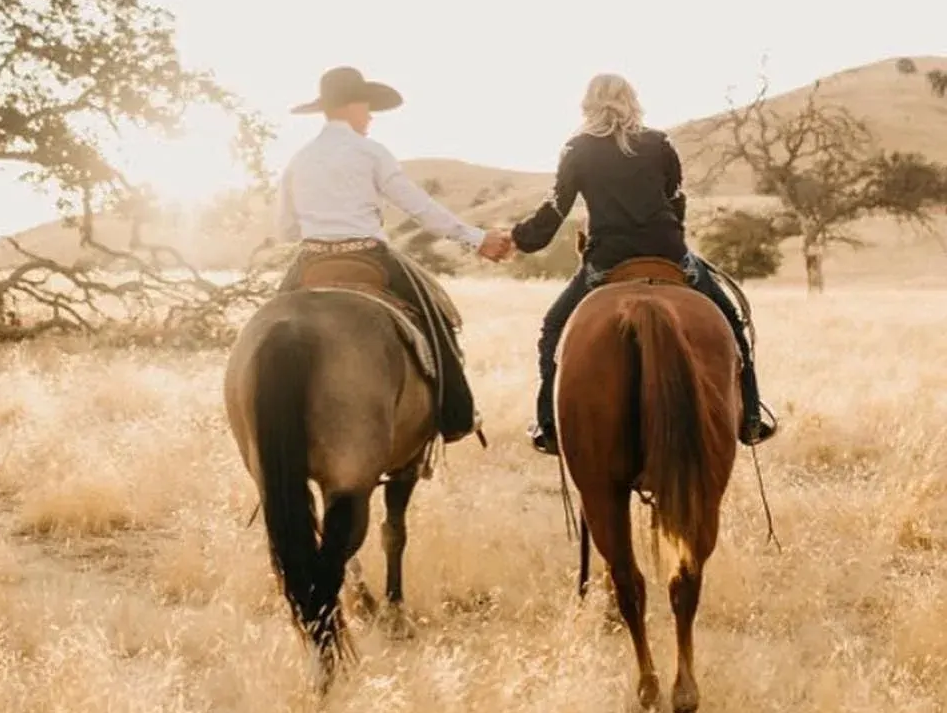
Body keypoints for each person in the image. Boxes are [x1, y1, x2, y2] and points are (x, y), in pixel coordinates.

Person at [506, 73, 778, 457]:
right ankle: (750, 416)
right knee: (732, 320)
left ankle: (549, 424)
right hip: (667, 253)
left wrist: (519, 239)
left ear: (588, 104)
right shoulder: (660, 144)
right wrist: (668, 237)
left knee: (553, 328)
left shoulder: (576, 149)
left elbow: (555, 210)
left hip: (607, 260)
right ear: (632, 100)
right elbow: (676, 201)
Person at [276, 65, 511, 444]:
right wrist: (476, 239)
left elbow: (286, 228)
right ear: (352, 105)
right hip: (370, 254)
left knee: (271, 321)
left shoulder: (299, 159)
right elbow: (419, 207)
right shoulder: (370, 152)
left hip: (311, 258)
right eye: (366, 107)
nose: (370, 116)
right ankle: (457, 413)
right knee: (438, 318)